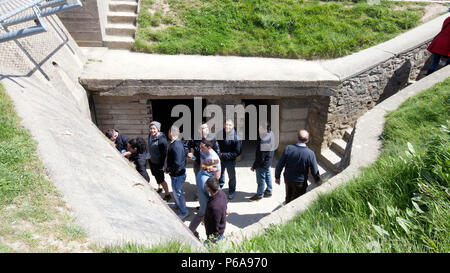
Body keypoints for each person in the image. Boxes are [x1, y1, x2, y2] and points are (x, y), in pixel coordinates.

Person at [275, 129, 321, 204]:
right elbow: (314, 169)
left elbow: (280, 164)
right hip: (300, 182)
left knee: (288, 196)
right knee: (297, 201)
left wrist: (277, 177)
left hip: (288, 179)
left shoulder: (288, 148)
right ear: (307, 140)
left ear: (297, 138)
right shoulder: (310, 153)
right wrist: (317, 179)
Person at [188, 139, 221, 238]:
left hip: (207, 180)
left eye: (202, 147)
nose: (200, 149)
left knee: (203, 212)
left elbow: (217, 176)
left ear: (209, 147)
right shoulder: (202, 152)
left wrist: (213, 171)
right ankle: (191, 231)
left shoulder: (214, 158)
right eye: (200, 146)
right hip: (203, 180)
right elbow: (198, 159)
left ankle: (191, 230)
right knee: (203, 213)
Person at [165, 125, 189, 220]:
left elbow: (178, 163)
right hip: (175, 174)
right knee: (175, 192)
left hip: (177, 175)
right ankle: (177, 205)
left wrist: (168, 169)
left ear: (171, 133)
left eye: (168, 131)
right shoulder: (175, 143)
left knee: (178, 193)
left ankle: (184, 212)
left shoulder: (176, 145)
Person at [249, 121, 275, 201]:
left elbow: (260, 158)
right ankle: (269, 191)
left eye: (260, 128)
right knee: (267, 175)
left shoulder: (263, 142)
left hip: (262, 164)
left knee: (261, 180)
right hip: (268, 161)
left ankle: (259, 195)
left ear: (264, 129)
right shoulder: (271, 134)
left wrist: (254, 166)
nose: (258, 129)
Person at [217, 119, 242, 200]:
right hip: (220, 159)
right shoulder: (220, 133)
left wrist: (223, 155)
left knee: (231, 176)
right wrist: (218, 153)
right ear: (224, 125)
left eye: (229, 125)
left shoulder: (236, 138)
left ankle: (231, 190)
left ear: (233, 126)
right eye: (226, 124)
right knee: (220, 174)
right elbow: (216, 144)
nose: (227, 126)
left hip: (230, 161)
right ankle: (220, 186)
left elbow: (237, 152)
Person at [148, 121, 171, 202]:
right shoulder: (150, 136)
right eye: (150, 128)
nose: (152, 130)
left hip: (158, 163)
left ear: (158, 129)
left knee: (161, 179)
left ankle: (168, 194)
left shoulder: (162, 140)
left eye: (154, 129)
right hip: (152, 160)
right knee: (156, 176)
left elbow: (164, 155)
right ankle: (159, 188)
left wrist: (161, 166)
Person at [204, 177, 227, 243]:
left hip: (215, 236)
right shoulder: (221, 193)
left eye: (206, 185)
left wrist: (212, 239)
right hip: (220, 230)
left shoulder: (214, 207)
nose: (205, 185)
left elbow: (215, 226)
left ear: (208, 188)